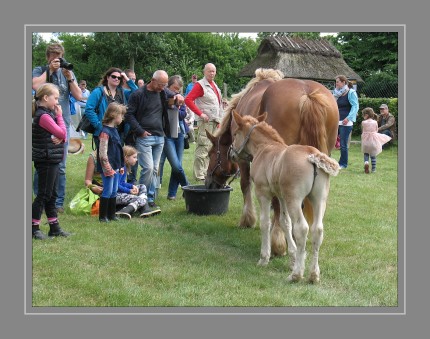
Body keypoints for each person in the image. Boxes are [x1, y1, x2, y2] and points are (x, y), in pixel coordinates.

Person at [32, 43, 82, 213]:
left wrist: (69, 78)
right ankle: (40, 198)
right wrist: (49, 71)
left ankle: (57, 202)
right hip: (44, 122)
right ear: (48, 57)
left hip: (63, 121)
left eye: (59, 56)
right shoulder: (40, 70)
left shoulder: (67, 72)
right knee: (43, 162)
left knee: (60, 164)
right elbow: (34, 86)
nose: (57, 59)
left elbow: (79, 95)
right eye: (53, 56)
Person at [125, 70, 184, 212]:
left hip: (160, 136)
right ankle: (141, 198)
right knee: (149, 168)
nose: (163, 87)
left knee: (155, 169)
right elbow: (129, 114)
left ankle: (150, 199)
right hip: (144, 137)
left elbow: (173, 95)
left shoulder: (163, 92)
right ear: (152, 80)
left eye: (165, 85)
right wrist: (140, 131)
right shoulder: (138, 94)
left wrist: (178, 95)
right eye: (160, 84)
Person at [32, 83, 71, 239]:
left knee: (52, 194)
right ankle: (33, 228)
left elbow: (64, 136)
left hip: (52, 159)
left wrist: (61, 137)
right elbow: (62, 132)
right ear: (45, 98)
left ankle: (54, 227)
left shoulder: (48, 114)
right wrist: (60, 117)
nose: (57, 102)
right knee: (43, 194)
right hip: (46, 159)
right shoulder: (44, 116)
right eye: (55, 98)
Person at [85, 146, 160, 219]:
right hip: (113, 194)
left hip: (118, 191)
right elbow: (116, 185)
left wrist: (131, 186)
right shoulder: (115, 164)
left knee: (142, 187)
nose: (136, 160)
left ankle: (140, 209)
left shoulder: (122, 165)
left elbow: (122, 182)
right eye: (134, 157)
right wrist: (129, 190)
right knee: (139, 198)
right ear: (126, 157)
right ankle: (131, 210)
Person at [185, 63, 224, 181]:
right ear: (204, 72)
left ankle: (206, 172)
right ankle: (199, 175)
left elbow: (218, 104)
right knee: (203, 146)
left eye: (213, 71)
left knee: (211, 147)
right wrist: (200, 114)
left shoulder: (214, 85)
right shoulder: (200, 85)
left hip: (214, 121)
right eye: (209, 71)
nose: (212, 73)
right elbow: (188, 99)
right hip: (205, 122)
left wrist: (219, 120)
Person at [84, 67, 137, 146]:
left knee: (117, 157)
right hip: (104, 132)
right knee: (104, 157)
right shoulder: (98, 92)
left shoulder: (122, 92)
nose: (116, 79)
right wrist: (98, 126)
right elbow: (89, 109)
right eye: (113, 76)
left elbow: (136, 93)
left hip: (119, 132)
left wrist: (127, 79)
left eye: (119, 78)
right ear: (108, 77)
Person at [158, 75, 190, 200]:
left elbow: (183, 114)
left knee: (178, 166)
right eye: (174, 88)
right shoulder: (162, 95)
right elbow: (166, 108)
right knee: (176, 165)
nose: (176, 91)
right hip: (167, 135)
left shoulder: (179, 97)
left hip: (179, 134)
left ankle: (172, 194)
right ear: (167, 86)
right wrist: (174, 103)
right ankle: (187, 187)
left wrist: (175, 107)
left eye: (178, 89)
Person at [96, 102, 126, 222]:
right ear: (114, 115)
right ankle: (103, 216)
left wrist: (121, 165)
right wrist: (107, 168)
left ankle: (111, 215)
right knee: (108, 190)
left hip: (116, 166)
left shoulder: (115, 130)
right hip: (108, 167)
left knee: (114, 190)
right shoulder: (105, 132)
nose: (122, 118)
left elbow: (118, 149)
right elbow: (103, 153)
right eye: (121, 115)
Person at [333, 74, 359, 169]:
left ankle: (343, 164)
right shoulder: (336, 94)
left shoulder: (351, 92)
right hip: (336, 121)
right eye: (336, 82)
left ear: (343, 82)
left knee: (343, 144)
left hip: (346, 122)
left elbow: (355, 106)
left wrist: (348, 118)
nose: (336, 84)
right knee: (331, 141)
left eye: (337, 82)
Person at [361, 107, 392, 173]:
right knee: (373, 155)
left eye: (363, 115)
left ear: (366, 115)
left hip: (366, 141)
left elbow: (363, 131)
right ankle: (373, 169)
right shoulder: (375, 122)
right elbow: (376, 130)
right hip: (373, 140)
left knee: (366, 153)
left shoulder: (363, 122)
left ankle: (366, 163)